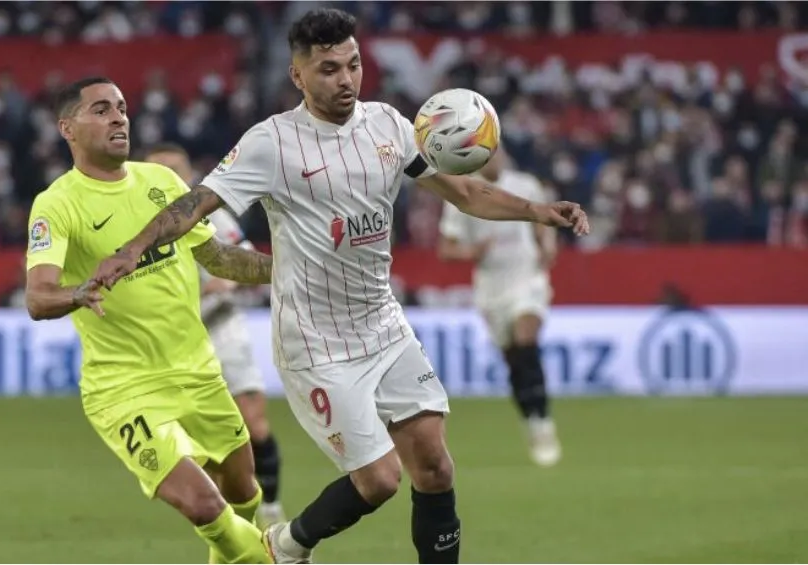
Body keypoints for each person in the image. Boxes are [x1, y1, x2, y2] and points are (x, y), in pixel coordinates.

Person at [89, 9, 589, 564]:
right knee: (379, 480)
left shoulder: (389, 126)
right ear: (298, 75)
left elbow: (466, 193)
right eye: (329, 69)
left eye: (353, 65)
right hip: (315, 340)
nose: (346, 79)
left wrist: (538, 211)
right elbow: (195, 204)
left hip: (382, 322)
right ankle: (287, 545)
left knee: (434, 465)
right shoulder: (271, 143)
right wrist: (131, 249)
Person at [23, 77, 274, 564]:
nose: (118, 117)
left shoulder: (162, 182)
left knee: (244, 492)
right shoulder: (57, 204)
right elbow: (38, 297)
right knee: (204, 505)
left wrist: (290, 269)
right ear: (67, 128)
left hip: (198, 371)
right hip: (124, 387)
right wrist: (79, 292)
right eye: (101, 110)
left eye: (121, 107)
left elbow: (219, 258)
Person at [140, 142, 288, 527]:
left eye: (175, 169)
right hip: (173, 342)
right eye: (159, 169)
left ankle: (271, 507)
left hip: (221, 327)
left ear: (190, 174)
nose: (169, 177)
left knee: (253, 422)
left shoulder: (211, 215)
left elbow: (241, 255)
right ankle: (228, 520)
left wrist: (227, 283)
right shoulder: (135, 220)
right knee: (202, 442)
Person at [438, 147, 562, 467]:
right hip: (492, 289)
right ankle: (530, 418)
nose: (495, 158)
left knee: (526, 336)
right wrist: (472, 252)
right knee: (514, 360)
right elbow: (446, 249)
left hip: (527, 277)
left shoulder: (525, 185)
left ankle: (544, 420)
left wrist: (547, 246)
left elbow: (541, 223)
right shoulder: (461, 192)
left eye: (498, 152)